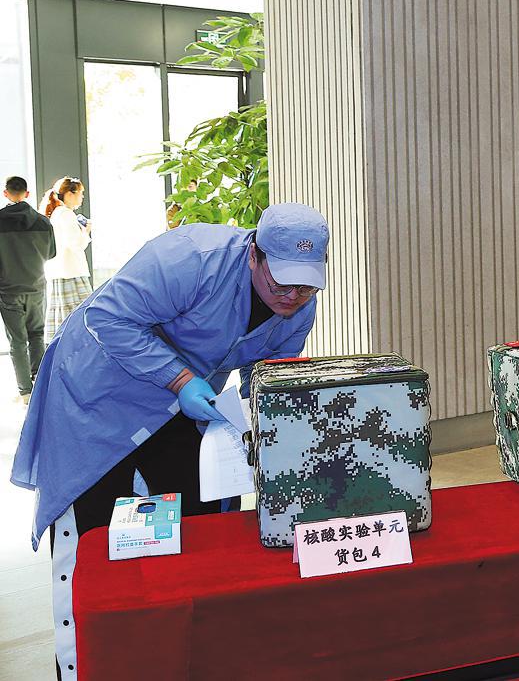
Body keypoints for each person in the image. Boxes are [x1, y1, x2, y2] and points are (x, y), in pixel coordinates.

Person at [10, 203, 328, 680]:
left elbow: (267, 375)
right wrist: (180, 379)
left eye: (305, 285)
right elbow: (107, 318)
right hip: (98, 391)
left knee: (200, 516)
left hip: (182, 403)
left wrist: (261, 423)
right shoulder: (190, 257)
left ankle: (174, 657)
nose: (292, 295)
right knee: (96, 535)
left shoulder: (299, 307)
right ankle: (83, 666)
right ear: (253, 255)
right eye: (281, 281)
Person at [0, 176, 56, 404]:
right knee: (37, 335)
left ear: (5, 193)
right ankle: (39, 385)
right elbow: (51, 253)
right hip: (36, 286)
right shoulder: (43, 222)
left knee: (17, 340)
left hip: (8, 289)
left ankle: (25, 392)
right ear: (28, 194)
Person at [40, 177, 92, 342]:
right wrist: (86, 232)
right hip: (71, 272)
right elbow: (75, 244)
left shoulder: (57, 213)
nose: (82, 197)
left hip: (61, 271)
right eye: (80, 193)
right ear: (69, 194)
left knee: (63, 319)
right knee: (83, 317)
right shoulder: (66, 214)